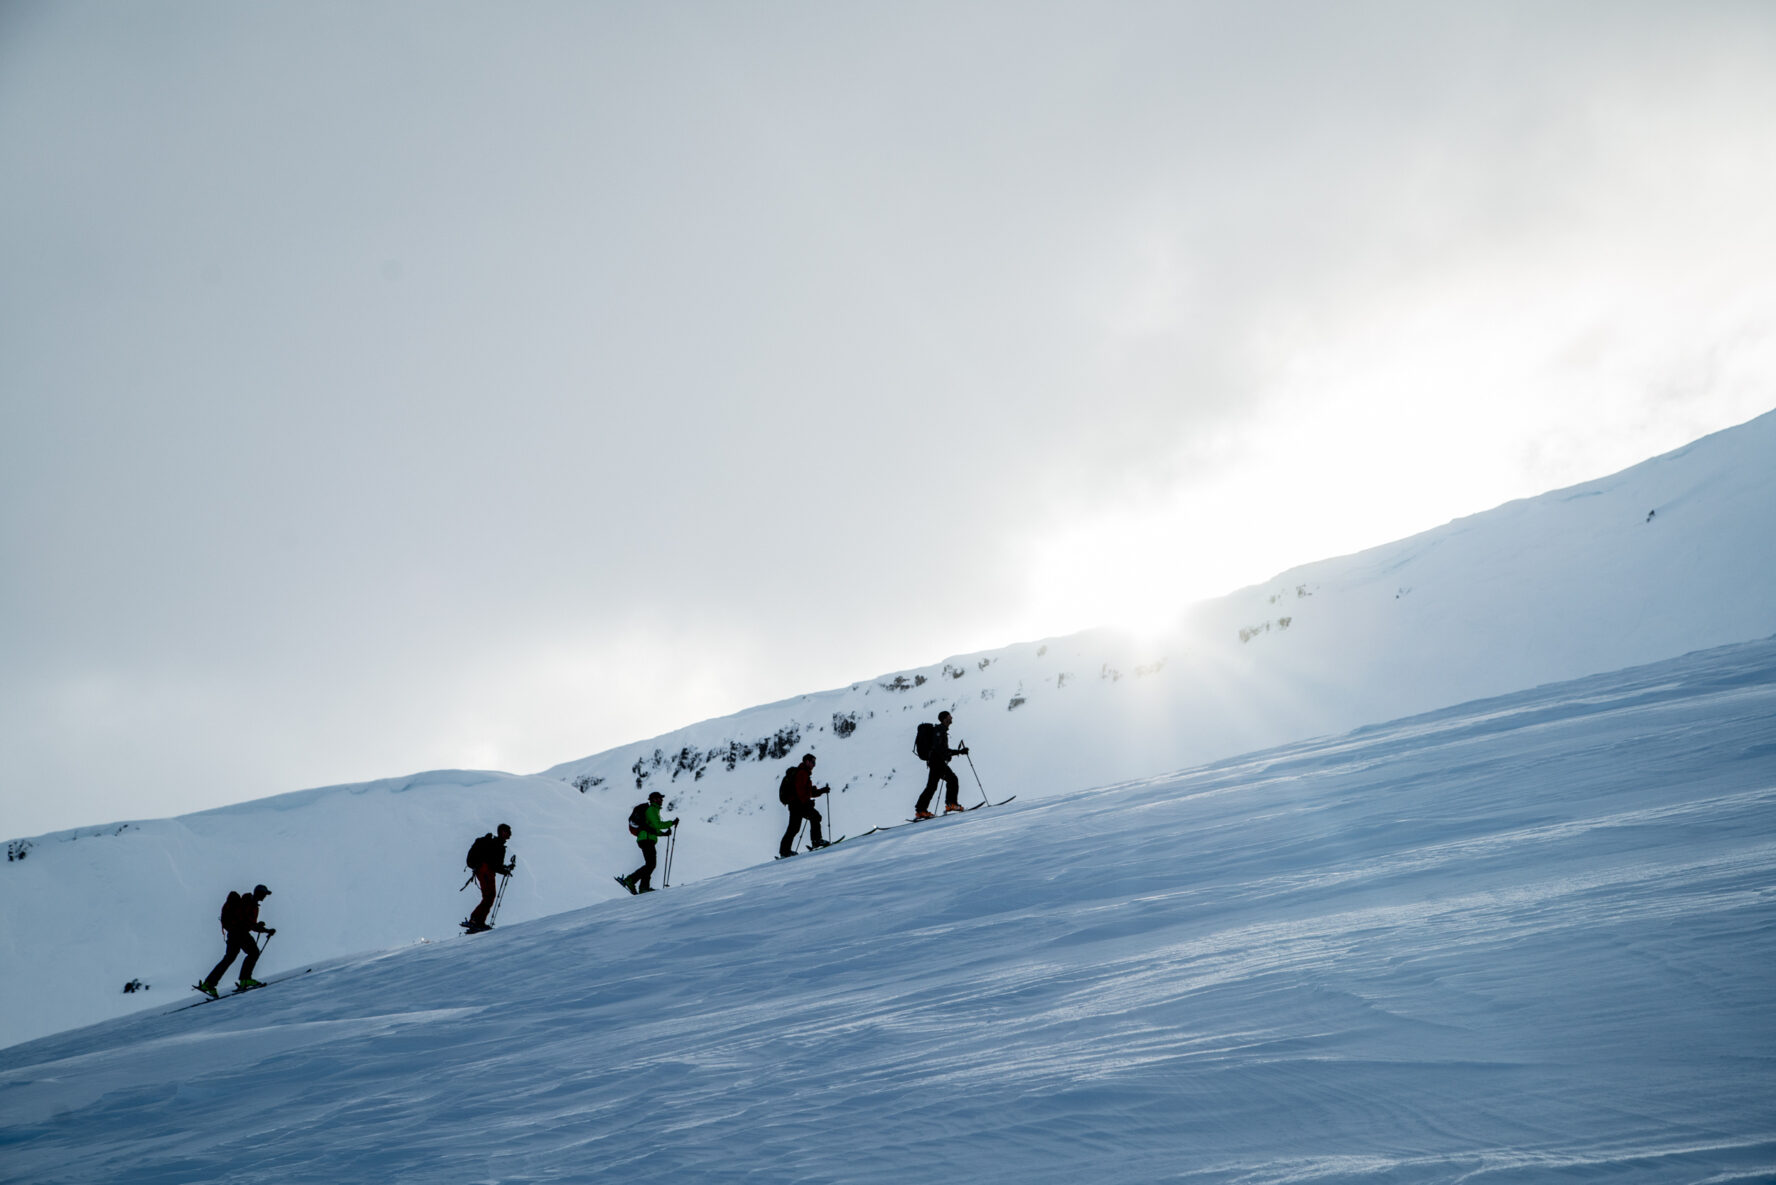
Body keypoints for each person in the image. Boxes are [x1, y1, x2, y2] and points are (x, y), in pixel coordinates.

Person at [194, 884, 275, 997]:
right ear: (260, 893)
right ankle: (245, 979)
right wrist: (265, 930)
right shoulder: (249, 904)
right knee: (253, 952)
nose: (265, 897)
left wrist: (259, 927)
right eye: (264, 894)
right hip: (239, 933)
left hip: (233, 933)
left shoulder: (248, 902)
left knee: (229, 958)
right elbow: (247, 923)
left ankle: (209, 984)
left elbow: (248, 922)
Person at [914, 710, 969, 819]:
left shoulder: (940, 730)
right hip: (937, 763)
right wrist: (956, 753)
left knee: (932, 786)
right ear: (944, 719)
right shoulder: (939, 731)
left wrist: (953, 753)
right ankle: (951, 804)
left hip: (935, 762)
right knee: (952, 779)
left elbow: (941, 749)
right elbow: (939, 749)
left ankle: (921, 810)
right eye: (949, 717)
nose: (951, 718)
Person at [619, 791, 677, 894]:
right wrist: (671, 823)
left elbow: (653, 828)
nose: (662, 800)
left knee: (650, 864)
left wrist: (664, 834)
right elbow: (657, 825)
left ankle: (643, 887)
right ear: (654, 799)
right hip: (646, 839)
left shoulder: (653, 810)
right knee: (651, 864)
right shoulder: (652, 810)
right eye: (659, 798)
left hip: (646, 839)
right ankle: (631, 880)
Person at [778, 753, 832, 858]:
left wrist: (821, 791)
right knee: (815, 817)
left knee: (794, 828)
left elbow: (808, 792)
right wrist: (808, 802)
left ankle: (784, 851)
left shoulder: (804, 773)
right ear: (806, 761)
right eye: (813, 762)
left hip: (795, 805)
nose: (814, 764)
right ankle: (816, 841)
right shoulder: (802, 773)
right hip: (798, 805)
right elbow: (801, 792)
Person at [463, 824, 515, 933]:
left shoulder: (496, 844)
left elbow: (495, 865)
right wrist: (505, 870)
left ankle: (478, 921)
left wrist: (504, 869)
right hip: (485, 871)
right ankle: (476, 920)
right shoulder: (497, 845)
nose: (510, 834)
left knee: (489, 896)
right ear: (502, 832)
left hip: (483, 871)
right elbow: (495, 865)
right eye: (508, 832)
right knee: (489, 896)